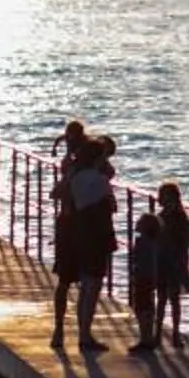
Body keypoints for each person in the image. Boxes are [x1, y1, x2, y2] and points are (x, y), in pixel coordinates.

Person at [51, 130, 117, 350]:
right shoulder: (96, 178)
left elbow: (56, 193)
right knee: (89, 284)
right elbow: (112, 205)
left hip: (70, 230)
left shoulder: (73, 172)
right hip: (90, 235)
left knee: (66, 282)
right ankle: (83, 335)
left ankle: (61, 331)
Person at [142, 180, 189, 353]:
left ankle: (175, 333)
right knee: (162, 297)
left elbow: (188, 239)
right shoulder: (162, 215)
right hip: (164, 259)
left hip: (175, 260)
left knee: (173, 297)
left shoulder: (179, 216)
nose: (160, 199)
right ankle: (159, 333)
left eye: (163, 196)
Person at [126, 202, 165, 353]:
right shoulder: (155, 243)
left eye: (140, 222)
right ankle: (148, 337)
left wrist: (133, 274)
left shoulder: (141, 242)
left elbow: (137, 260)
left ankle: (145, 338)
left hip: (142, 277)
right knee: (148, 306)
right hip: (151, 277)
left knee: (141, 307)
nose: (137, 224)